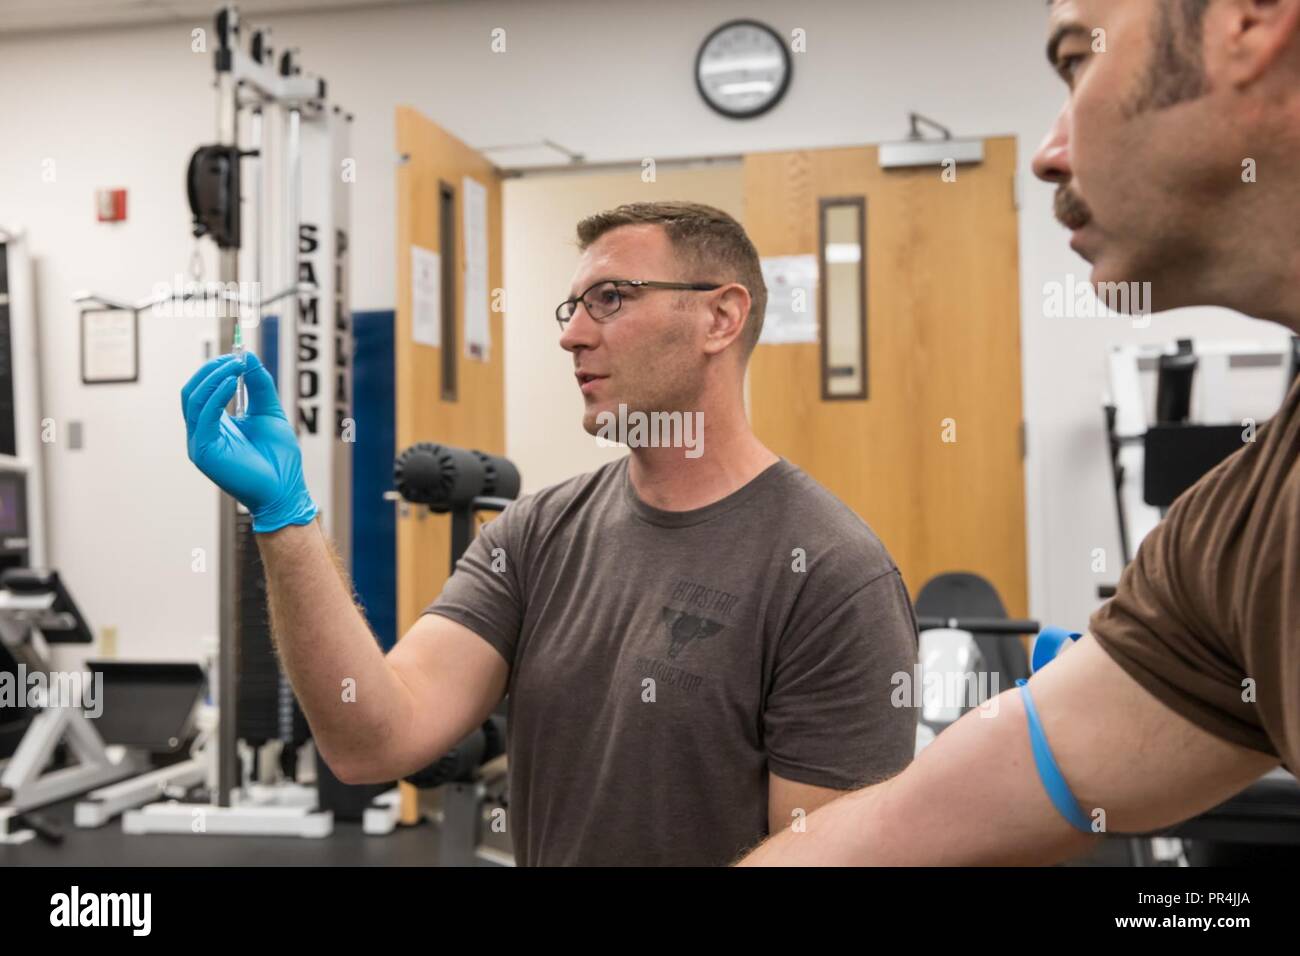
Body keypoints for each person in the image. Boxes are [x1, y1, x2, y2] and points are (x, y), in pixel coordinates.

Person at [180, 201, 919, 866]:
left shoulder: (831, 574)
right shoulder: (535, 532)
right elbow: (371, 739)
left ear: (720, 318)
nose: (570, 335)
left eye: (610, 299)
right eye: (571, 306)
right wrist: (286, 517)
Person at [739, 0, 1300, 866]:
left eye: (1078, 61)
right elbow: (906, 828)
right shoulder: (1241, 536)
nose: (1047, 155)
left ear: (1253, 21)